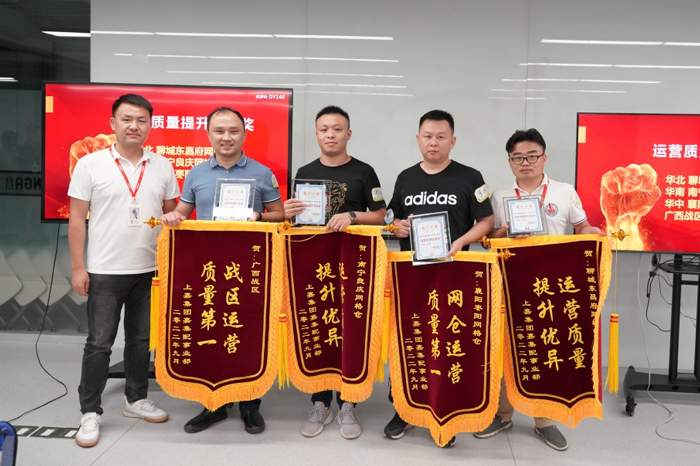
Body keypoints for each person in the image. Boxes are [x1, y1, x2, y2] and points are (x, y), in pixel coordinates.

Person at [474, 128, 604, 452]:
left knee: (548, 348)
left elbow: (582, 226)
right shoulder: (499, 195)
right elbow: (487, 240)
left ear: (544, 158)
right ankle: (502, 414)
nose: (525, 162)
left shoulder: (564, 191)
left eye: (532, 156)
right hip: (510, 283)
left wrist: (593, 232)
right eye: (517, 157)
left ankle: (545, 420)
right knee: (506, 347)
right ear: (510, 162)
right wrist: (504, 232)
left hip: (552, 287)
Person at [160, 106, 284, 435]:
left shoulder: (262, 173)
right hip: (208, 272)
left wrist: (259, 217)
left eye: (233, 131)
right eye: (219, 131)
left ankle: (250, 404)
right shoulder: (196, 174)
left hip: (251, 271)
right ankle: (212, 404)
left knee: (249, 333)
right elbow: (183, 213)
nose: (226, 137)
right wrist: (174, 217)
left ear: (244, 134)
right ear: (209, 135)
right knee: (210, 331)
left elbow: (280, 214)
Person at [68, 94, 180, 448]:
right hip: (104, 269)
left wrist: (174, 218)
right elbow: (76, 218)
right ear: (113, 123)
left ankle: (136, 399)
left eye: (142, 120)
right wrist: (78, 267)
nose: (134, 126)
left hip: (149, 269)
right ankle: (90, 412)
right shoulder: (90, 164)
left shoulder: (162, 165)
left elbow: (173, 212)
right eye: (127, 119)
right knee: (99, 343)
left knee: (140, 340)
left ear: (150, 125)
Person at [384, 109, 494, 447]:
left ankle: (445, 412)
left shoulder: (470, 177)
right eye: (428, 136)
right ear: (418, 139)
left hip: (454, 276)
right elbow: (391, 219)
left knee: (448, 344)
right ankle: (404, 409)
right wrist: (396, 226)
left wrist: (460, 242)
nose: (434, 142)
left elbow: (486, 221)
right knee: (410, 341)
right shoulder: (405, 177)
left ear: (453, 141)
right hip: (412, 278)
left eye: (441, 137)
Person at [284, 105, 387, 439]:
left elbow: (382, 215)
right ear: (316, 134)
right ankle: (320, 402)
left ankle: (348, 403)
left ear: (348, 134)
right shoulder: (305, 172)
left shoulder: (364, 172)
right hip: (314, 266)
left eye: (337, 129)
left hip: (353, 267)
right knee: (316, 325)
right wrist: (288, 211)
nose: (330, 135)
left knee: (349, 328)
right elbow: (298, 220)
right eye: (324, 129)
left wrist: (352, 216)